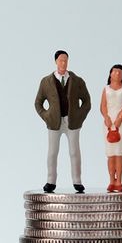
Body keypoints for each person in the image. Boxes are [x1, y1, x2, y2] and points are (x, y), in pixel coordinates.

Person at [35, 50, 91, 193]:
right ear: (55, 61)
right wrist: (46, 116)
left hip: (72, 121)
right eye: (61, 60)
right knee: (52, 152)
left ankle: (77, 181)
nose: (63, 63)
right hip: (54, 122)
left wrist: (80, 116)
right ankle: (50, 181)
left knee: (74, 152)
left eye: (66, 60)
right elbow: (38, 103)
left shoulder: (77, 80)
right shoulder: (46, 81)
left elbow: (86, 101)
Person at [100, 64, 122, 192]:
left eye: (120, 72)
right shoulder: (106, 89)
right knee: (110, 153)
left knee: (119, 153)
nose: (117, 74)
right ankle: (111, 180)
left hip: (121, 124)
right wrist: (107, 117)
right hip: (108, 124)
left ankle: (119, 180)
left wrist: (119, 118)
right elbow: (103, 105)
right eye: (115, 72)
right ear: (110, 74)